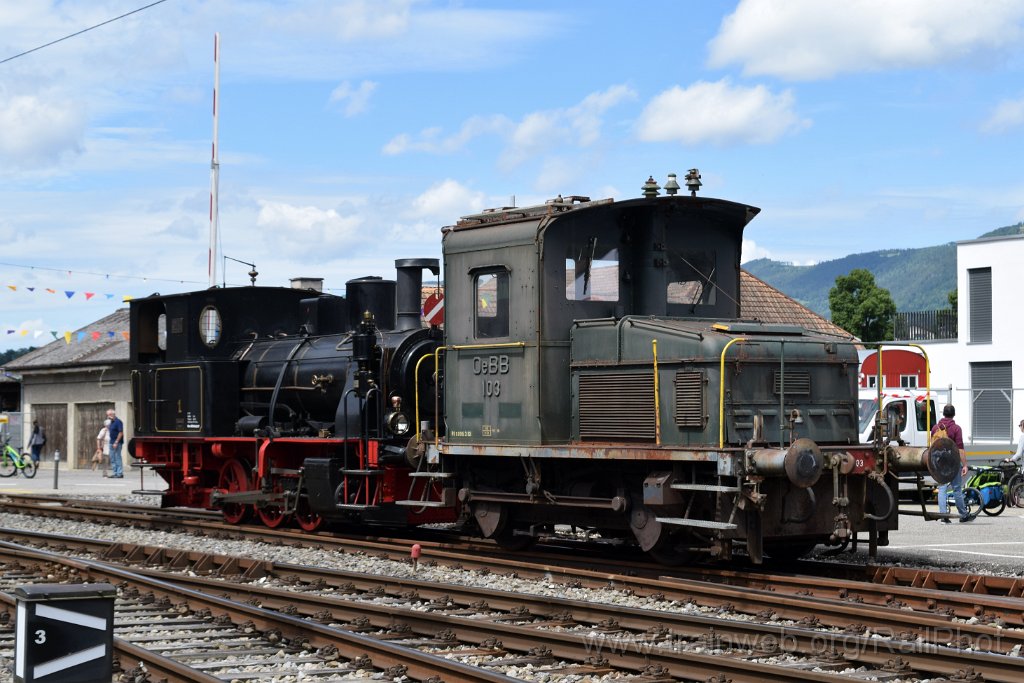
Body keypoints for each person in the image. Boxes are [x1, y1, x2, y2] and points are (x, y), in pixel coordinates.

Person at [934, 404, 972, 523]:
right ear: (953, 414)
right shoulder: (956, 428)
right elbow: (960, 449)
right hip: (953, 463)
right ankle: (963, 515)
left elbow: (932, 447)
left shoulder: (935, 428)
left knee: (942, 488)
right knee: (956, 489)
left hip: (939, 463)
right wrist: (965, 465)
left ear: (943, 413)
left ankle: (943, 515)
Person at [105, 409, 124, 478]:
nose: (108, 416)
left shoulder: (118, 422)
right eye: (107, 415)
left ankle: (119, 473)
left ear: (113, 414)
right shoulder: (110, 422)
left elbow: (120, 432)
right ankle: (115, 473)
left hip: (117, 443)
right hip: (111, 442)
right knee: (112, 458)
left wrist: (116, 442)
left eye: (109, 415)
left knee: (117, 457)